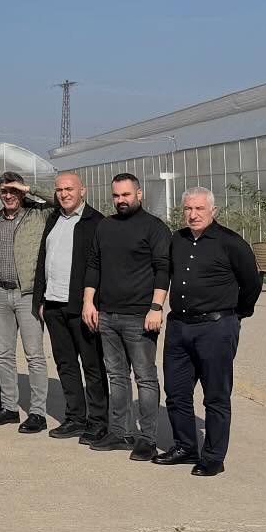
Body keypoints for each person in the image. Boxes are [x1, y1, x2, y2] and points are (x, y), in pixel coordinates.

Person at [156, 187, 260, 476]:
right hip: (179, 327)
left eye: (199, 209)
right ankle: (185, 446)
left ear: (213, 211)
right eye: (188, 208)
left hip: (216, 327)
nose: (193, 214)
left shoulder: (231, 242)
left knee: (215, 395)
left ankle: (213, 456)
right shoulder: (177, 239)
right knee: (176, 393)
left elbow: (251, 282)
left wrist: (237, 314)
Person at [82, 173, 171, 460]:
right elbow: (94, 264)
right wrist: (88, 302)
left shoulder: (154, 228)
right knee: (117, 377)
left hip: (140, 317)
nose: (120, 200)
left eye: (126, 195)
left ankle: (147, 437)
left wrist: (156, 308)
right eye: (116, 196)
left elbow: (162, 269)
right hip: (107, 314)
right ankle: (119, 432)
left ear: (139, 194)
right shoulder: (105, 226)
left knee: (145, 378)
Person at [31, 172, 107, 443]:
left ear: (82, 191)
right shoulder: (53, 219)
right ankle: (75, 417)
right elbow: (43, 259)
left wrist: (94, 303)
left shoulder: (95, 222)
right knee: (65, 365)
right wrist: (41, 299)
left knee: (92, 365)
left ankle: (98, 421)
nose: (64, 194)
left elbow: (99, 267)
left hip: (82, 307)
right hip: (53, 305)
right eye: (60, 190)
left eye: (69, 189)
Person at [0, 172, 52, 432]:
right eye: (4, 191)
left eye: (13, 191)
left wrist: (28, 187)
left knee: (34, 356)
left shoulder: (37, 215)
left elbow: (59, 200)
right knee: (3, 354)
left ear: (21, 192)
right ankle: (9, 408)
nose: (8, 196)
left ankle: (38, 413)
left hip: (27, 294)